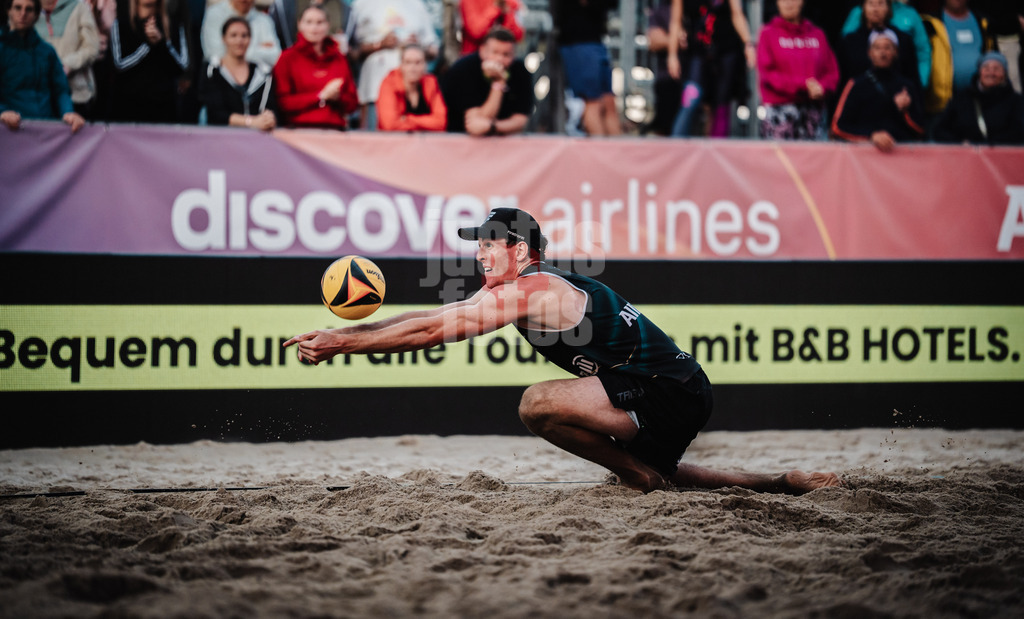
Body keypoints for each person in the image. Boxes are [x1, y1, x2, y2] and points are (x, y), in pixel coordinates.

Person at [284, 207, 844, 495]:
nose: (479, 254)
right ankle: (781, 483)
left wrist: (343, 345)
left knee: (537, 403)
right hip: (665, 388)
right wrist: (347, 335)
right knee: (665, 471)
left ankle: (640, 477)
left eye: (487, 244)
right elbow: (428, 319)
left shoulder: (535, 289)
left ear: (519, 249)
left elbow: (432, 334)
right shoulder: (514, 287)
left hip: (668, 389)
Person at [667, 0, 758, 138]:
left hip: (726, 50)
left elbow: (737, 14)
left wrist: (748, 43)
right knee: (691, 96)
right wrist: (672, 55)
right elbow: (675, 22)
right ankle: (677, 142)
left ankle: (717, 147)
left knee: (721, 103)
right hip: (698, 51)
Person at [347, 0, 439, 129]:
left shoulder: (416, 3)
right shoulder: (361, 3)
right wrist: (379, 45)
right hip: (373, 88)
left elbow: (434, 48)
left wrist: (416, 47)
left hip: (413, 93)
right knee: (373, 142)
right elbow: (350, 52)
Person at [757, 0, 840, 140]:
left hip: (813, 110)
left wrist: (822, 87)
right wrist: (803, 86)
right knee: (780, 156)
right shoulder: (768, 34)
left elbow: (831, 72)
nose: (788, 3)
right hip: (780, 110)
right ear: (777, 3)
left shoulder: (817, 34)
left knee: (813, 155)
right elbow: (768, 74)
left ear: (802, 1)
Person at [108, 0, 191, 123]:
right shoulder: (121, 24)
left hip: (164, 107)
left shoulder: (173, 24)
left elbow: (181, 66)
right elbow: (119, 65)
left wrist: (160, 43)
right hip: (128, 107)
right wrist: (147, 44)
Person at [557, 0, 621, 136]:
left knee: (608, 102)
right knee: (592, 103)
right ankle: (601, 153)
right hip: (580, 41)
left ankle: (617, 152)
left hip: (594, 40)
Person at [0, 0, 85, 133]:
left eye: (29, 9)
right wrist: (2, 112)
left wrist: (68, 112)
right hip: (9, 130)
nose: (23, 13)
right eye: (18, 8)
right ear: (9, 11)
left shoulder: (47, 51)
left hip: (46, 129)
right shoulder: (2, 49)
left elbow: (60, 90)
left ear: (36, 15)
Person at [832, 29, 925, 150]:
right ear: (869, 53)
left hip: (901, 157)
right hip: (863, 157)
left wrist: (906, 111)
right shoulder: (856, 85)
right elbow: (838, 128)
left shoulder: (906, 87)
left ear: (896, 52)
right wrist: (871, 136)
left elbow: (921, 130)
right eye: (877, 48)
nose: (883, 53)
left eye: (887, 48)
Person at [842, 0, 931, 88]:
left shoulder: (910, 14)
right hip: (862, 77)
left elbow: (923, 51)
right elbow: (846, 46)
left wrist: (920, 82)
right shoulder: (858, 12)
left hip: (900, 77)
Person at [920, 0, 994, 117]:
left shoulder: (983, 22)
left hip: (979, 103)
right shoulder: (929, 23)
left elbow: (990, 55)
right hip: (941, 105)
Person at [29, 0, 101, 118]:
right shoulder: (23, 11)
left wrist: (67, 65)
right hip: (36, 96)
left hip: (77, 94)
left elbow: (92, 47)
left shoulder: (78, 7)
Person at [273, 4, 358, 129]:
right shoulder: (287, 58)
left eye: (320, 22)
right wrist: (321, 96)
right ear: (299, 24)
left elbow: (353, 103)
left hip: (334, 129)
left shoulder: (339, 58)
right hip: (298, 129)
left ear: (328, 25)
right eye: (309, 22)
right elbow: (282, 103)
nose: (314, 28)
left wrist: (338, 97)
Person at [441, 27, 532, 135]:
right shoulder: (465, 69)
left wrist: (492, 126)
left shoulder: (520, 71)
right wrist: (498, 82)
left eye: (506, 54)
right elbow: (476, 125)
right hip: (456, 137)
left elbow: (521, 121)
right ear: (482, 50)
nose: (499, 59)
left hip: (501, 139)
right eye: (495, 52)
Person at [199, 16, 277, 131]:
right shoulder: (212, 69)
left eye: (244, 36)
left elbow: (269, 107)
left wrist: (268, 119)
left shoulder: (263, 72)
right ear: (224, 39)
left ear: (250, 39)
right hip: (221, 135)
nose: (239, 41)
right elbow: (215, 113)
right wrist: (250, 122)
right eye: (233, 35)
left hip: (256, 136)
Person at [933, 51, 1024, 143]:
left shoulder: (1016, 101)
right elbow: (940, 130)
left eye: (996, 69)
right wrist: (960, 143)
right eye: (986, 68)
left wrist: (988, 145)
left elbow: (1018, 132)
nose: (991, 73)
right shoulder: (961, 99)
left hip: (1001, 150)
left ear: (1004, 74)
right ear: (979, 72)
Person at [837, 0, 920, 87]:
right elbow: (843, 77)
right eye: (871, 3)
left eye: (880, 3)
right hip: (859, 94)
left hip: (896, 94)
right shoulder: (850, 41)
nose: (875, 9)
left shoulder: (903, 40)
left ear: (888, 8)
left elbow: (912, 77)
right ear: (863, 8)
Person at [201, 0, 281, 66]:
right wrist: (258, 49)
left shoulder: (264, 20)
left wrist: (234, 51)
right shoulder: (214, 14)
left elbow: (275, 57)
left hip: (257, 74)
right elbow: (215, 54)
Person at [643, 0, 687, 135]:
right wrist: (677, 40)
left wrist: (669, 39)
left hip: (691, 78)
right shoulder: (659, 10)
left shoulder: (691, 7)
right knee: (664, 126)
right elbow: (654, 41)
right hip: (666, 79)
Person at [377, 43, 447, 131]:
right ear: (401, 65)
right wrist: (427, 122)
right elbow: (390, 125)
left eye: (418, 62)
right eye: (408, 62)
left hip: (426, 139)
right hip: (395, 139)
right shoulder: (389, 84)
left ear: (425, 65)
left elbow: (441, 123)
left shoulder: (431, 82)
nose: (413, 68)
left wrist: (408, 119)